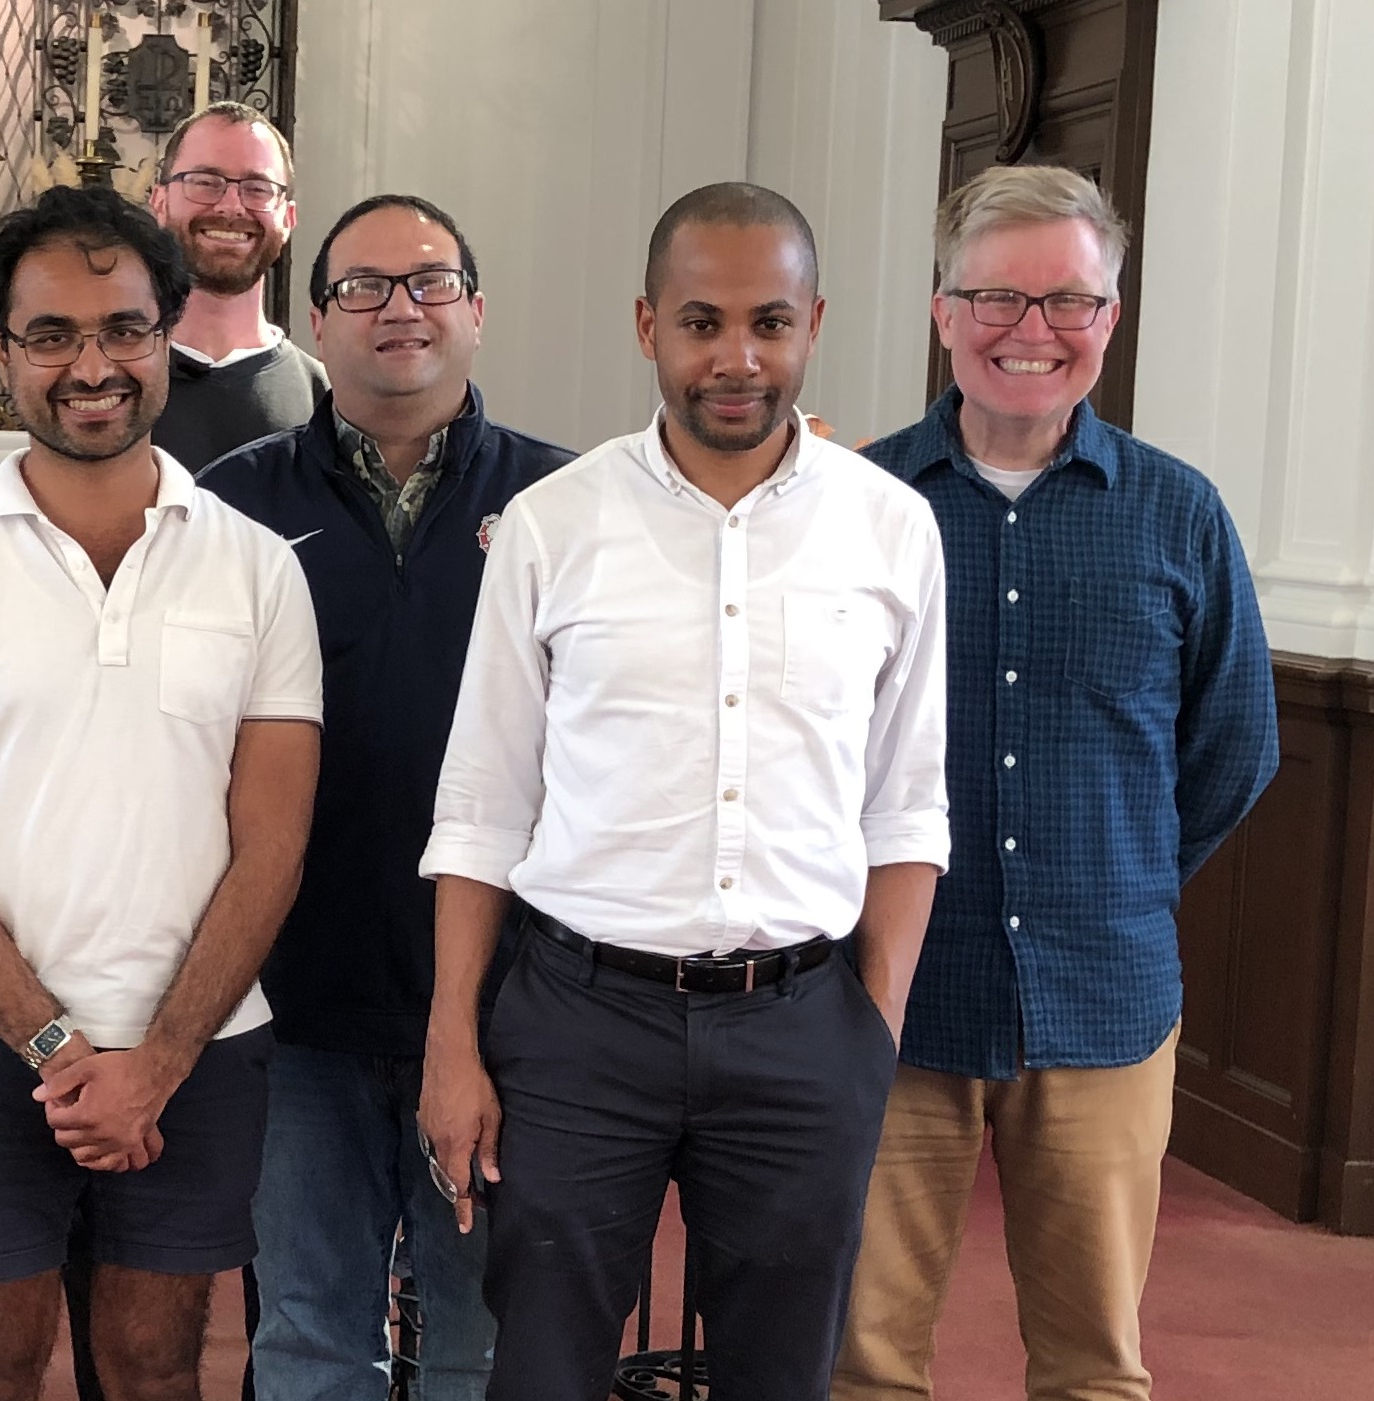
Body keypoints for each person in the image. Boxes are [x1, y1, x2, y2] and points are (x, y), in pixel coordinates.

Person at [417, 182, 950, 1399]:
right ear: (648, 325)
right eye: (703, 321)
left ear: (814, 323)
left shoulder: (892, 529)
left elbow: (906, 805)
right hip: (577, 1024)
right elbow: (483, 802)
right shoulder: (553, 525)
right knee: (543, 1365)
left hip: (803, 1024)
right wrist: (456, 1039)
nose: (737, 357)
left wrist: (870, 1032)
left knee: (780, 1372)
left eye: (770, 322)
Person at [0, 183, 324, 1401]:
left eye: (122, 327)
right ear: (3, 351)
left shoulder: (257, 569)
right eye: (51, 334)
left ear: (169, 331)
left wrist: (157, 1061)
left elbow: (271, 847)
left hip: (202, 1046)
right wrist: (63, 1052)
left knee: (157, 1364)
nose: (91, 366)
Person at [833, 164, 1278, 1401]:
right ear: (941, 310)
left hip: (1105, 1000)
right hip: (892, 996)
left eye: (1069, 304)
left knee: (1094, 1368)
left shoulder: (1181, 516)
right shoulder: (859, 505)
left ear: (1111, 320)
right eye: (997, 298)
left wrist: (1123, 876)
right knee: (861, 1362)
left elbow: (1235, 745)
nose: (1033, 333)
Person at [201, 192, 571, 1401]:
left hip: (509, 1007)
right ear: (316, 320)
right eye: (361, 286)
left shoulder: (568, 509)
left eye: (426, 281)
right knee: (310, 1333)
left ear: (476, 308)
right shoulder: (234, 506)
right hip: (298, 1000)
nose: (396, 308)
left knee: (474, 1340)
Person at [145, 102, 326, 473]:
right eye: (205, 182)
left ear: (288, 218)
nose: (231, 206)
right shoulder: (114, 382)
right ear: (159, 202)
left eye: (257, 188)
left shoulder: (325, 400)